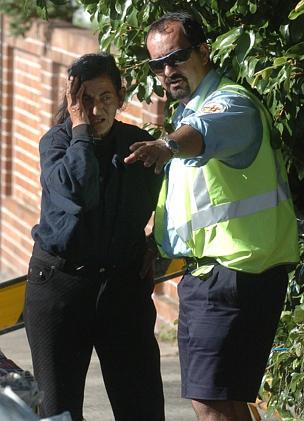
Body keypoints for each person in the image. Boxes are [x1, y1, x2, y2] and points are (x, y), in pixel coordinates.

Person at [124, 12, 299, 421]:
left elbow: (207, 130)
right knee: (226, 401)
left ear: (204, 51)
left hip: (234, 275)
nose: (168, 71)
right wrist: (158, 244)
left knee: (212, 406)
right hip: (219, 275)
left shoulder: (230, 103)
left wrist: (166, 146)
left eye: (178, 57)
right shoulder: (191, 109)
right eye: (158, 64)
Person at [23, 53, 165, 421]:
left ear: (121, 95)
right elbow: (79, 191)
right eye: (85, 100)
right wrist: (80, 130)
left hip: (123, 290)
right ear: (72, 103)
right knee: (59, 411)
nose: (96, 109)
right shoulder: (55, 144)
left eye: (105, 98)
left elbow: (171, 199)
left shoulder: (139, 145)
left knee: (142, 407)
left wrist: (157, 243)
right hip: (60, 288)